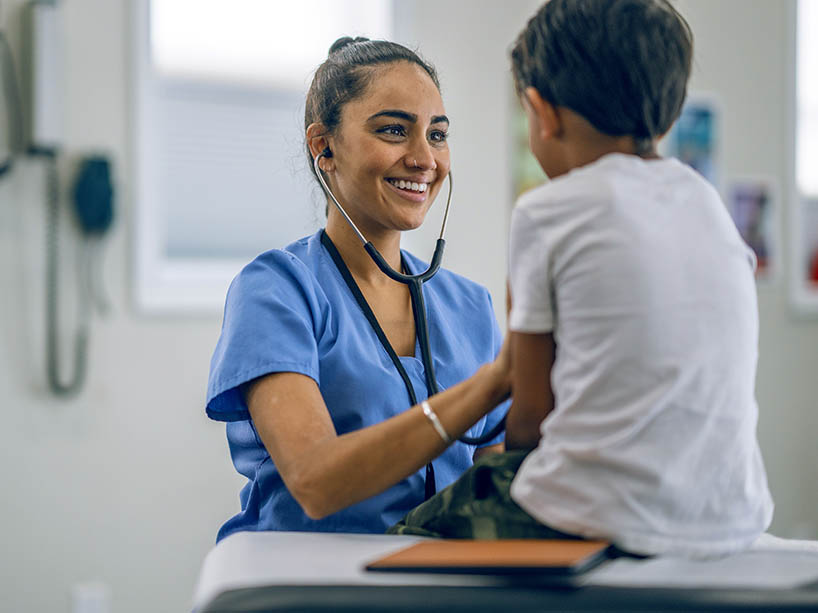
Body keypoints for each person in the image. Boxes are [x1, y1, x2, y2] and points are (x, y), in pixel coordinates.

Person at [391, 0, 773, 558]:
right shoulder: (706, 204)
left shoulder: (547, 212)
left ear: (542, 113)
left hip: (597, 515)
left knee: (406, 536)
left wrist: (508, 462)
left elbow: (532, 414)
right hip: (729, 513)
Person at [205, 37, 510, 542]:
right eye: (394, 130)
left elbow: (493, 489)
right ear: (323, 146)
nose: (423, 159)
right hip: (306, 581)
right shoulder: (277, 291)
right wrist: (488, 386)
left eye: (437, 135)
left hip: (441, 582)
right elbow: (314, 481)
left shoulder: (471, 307)